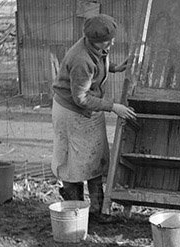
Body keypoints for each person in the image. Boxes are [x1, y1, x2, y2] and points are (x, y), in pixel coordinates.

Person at [50, 13, 135, 223]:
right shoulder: (81, 59)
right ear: (94, 40)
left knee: (95, 158)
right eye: (108, 40)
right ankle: (74, 211)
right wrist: (113, 107)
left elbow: (100, 62)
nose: (112, 42)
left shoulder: (94, 47)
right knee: (74, 163)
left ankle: (98, 210)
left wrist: (116, 67)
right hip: (72, 113)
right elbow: (80, 98)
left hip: (89, 110)